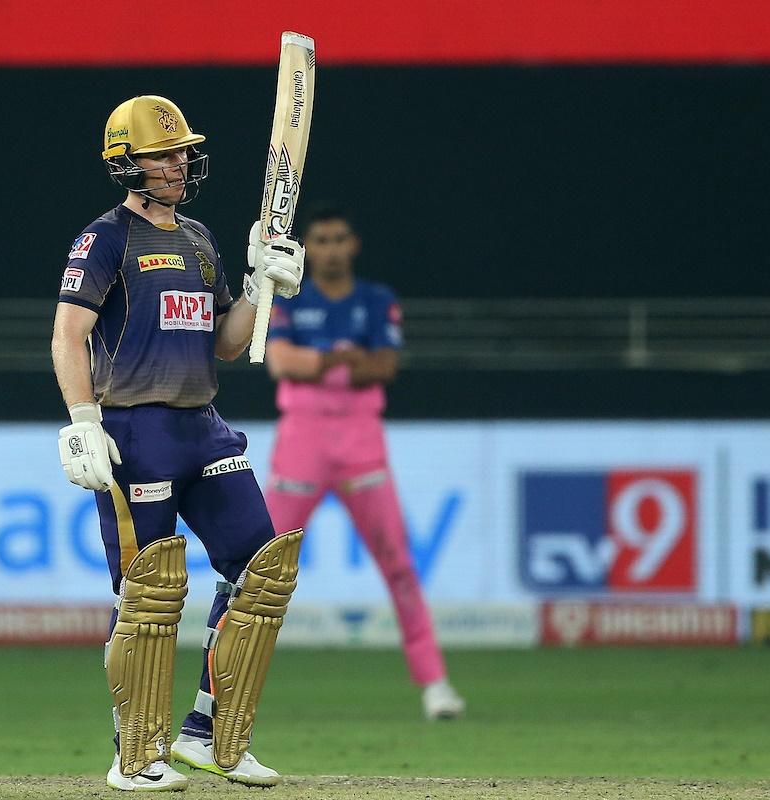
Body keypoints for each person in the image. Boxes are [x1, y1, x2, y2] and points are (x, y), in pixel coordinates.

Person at [50, 94, 306, 791]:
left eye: (183, 151)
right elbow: (68, 334)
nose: (179, 162)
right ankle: (134, 757)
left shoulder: (197, 239)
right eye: (163, 153)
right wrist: (83, 421)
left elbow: (226, 343)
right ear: (126, 163)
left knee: (262, 568)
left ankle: (207, 733)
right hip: (137, 430)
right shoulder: (104, 239)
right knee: (149, 594)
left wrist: (262, 286)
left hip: (203, 425)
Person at [263, 206, 466, 721]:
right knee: (260, 568)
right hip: (302, 437)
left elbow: (384, 367)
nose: (330, 249)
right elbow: (281, 362)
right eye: (321, 240)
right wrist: (341, 360)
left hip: (360, 440)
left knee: (398, 563)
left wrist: (322, 361)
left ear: (353, 245)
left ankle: (435, 684)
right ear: (308, 248)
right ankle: (224, 688)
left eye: (339, 239)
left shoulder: (377, 300)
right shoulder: (289, 296)